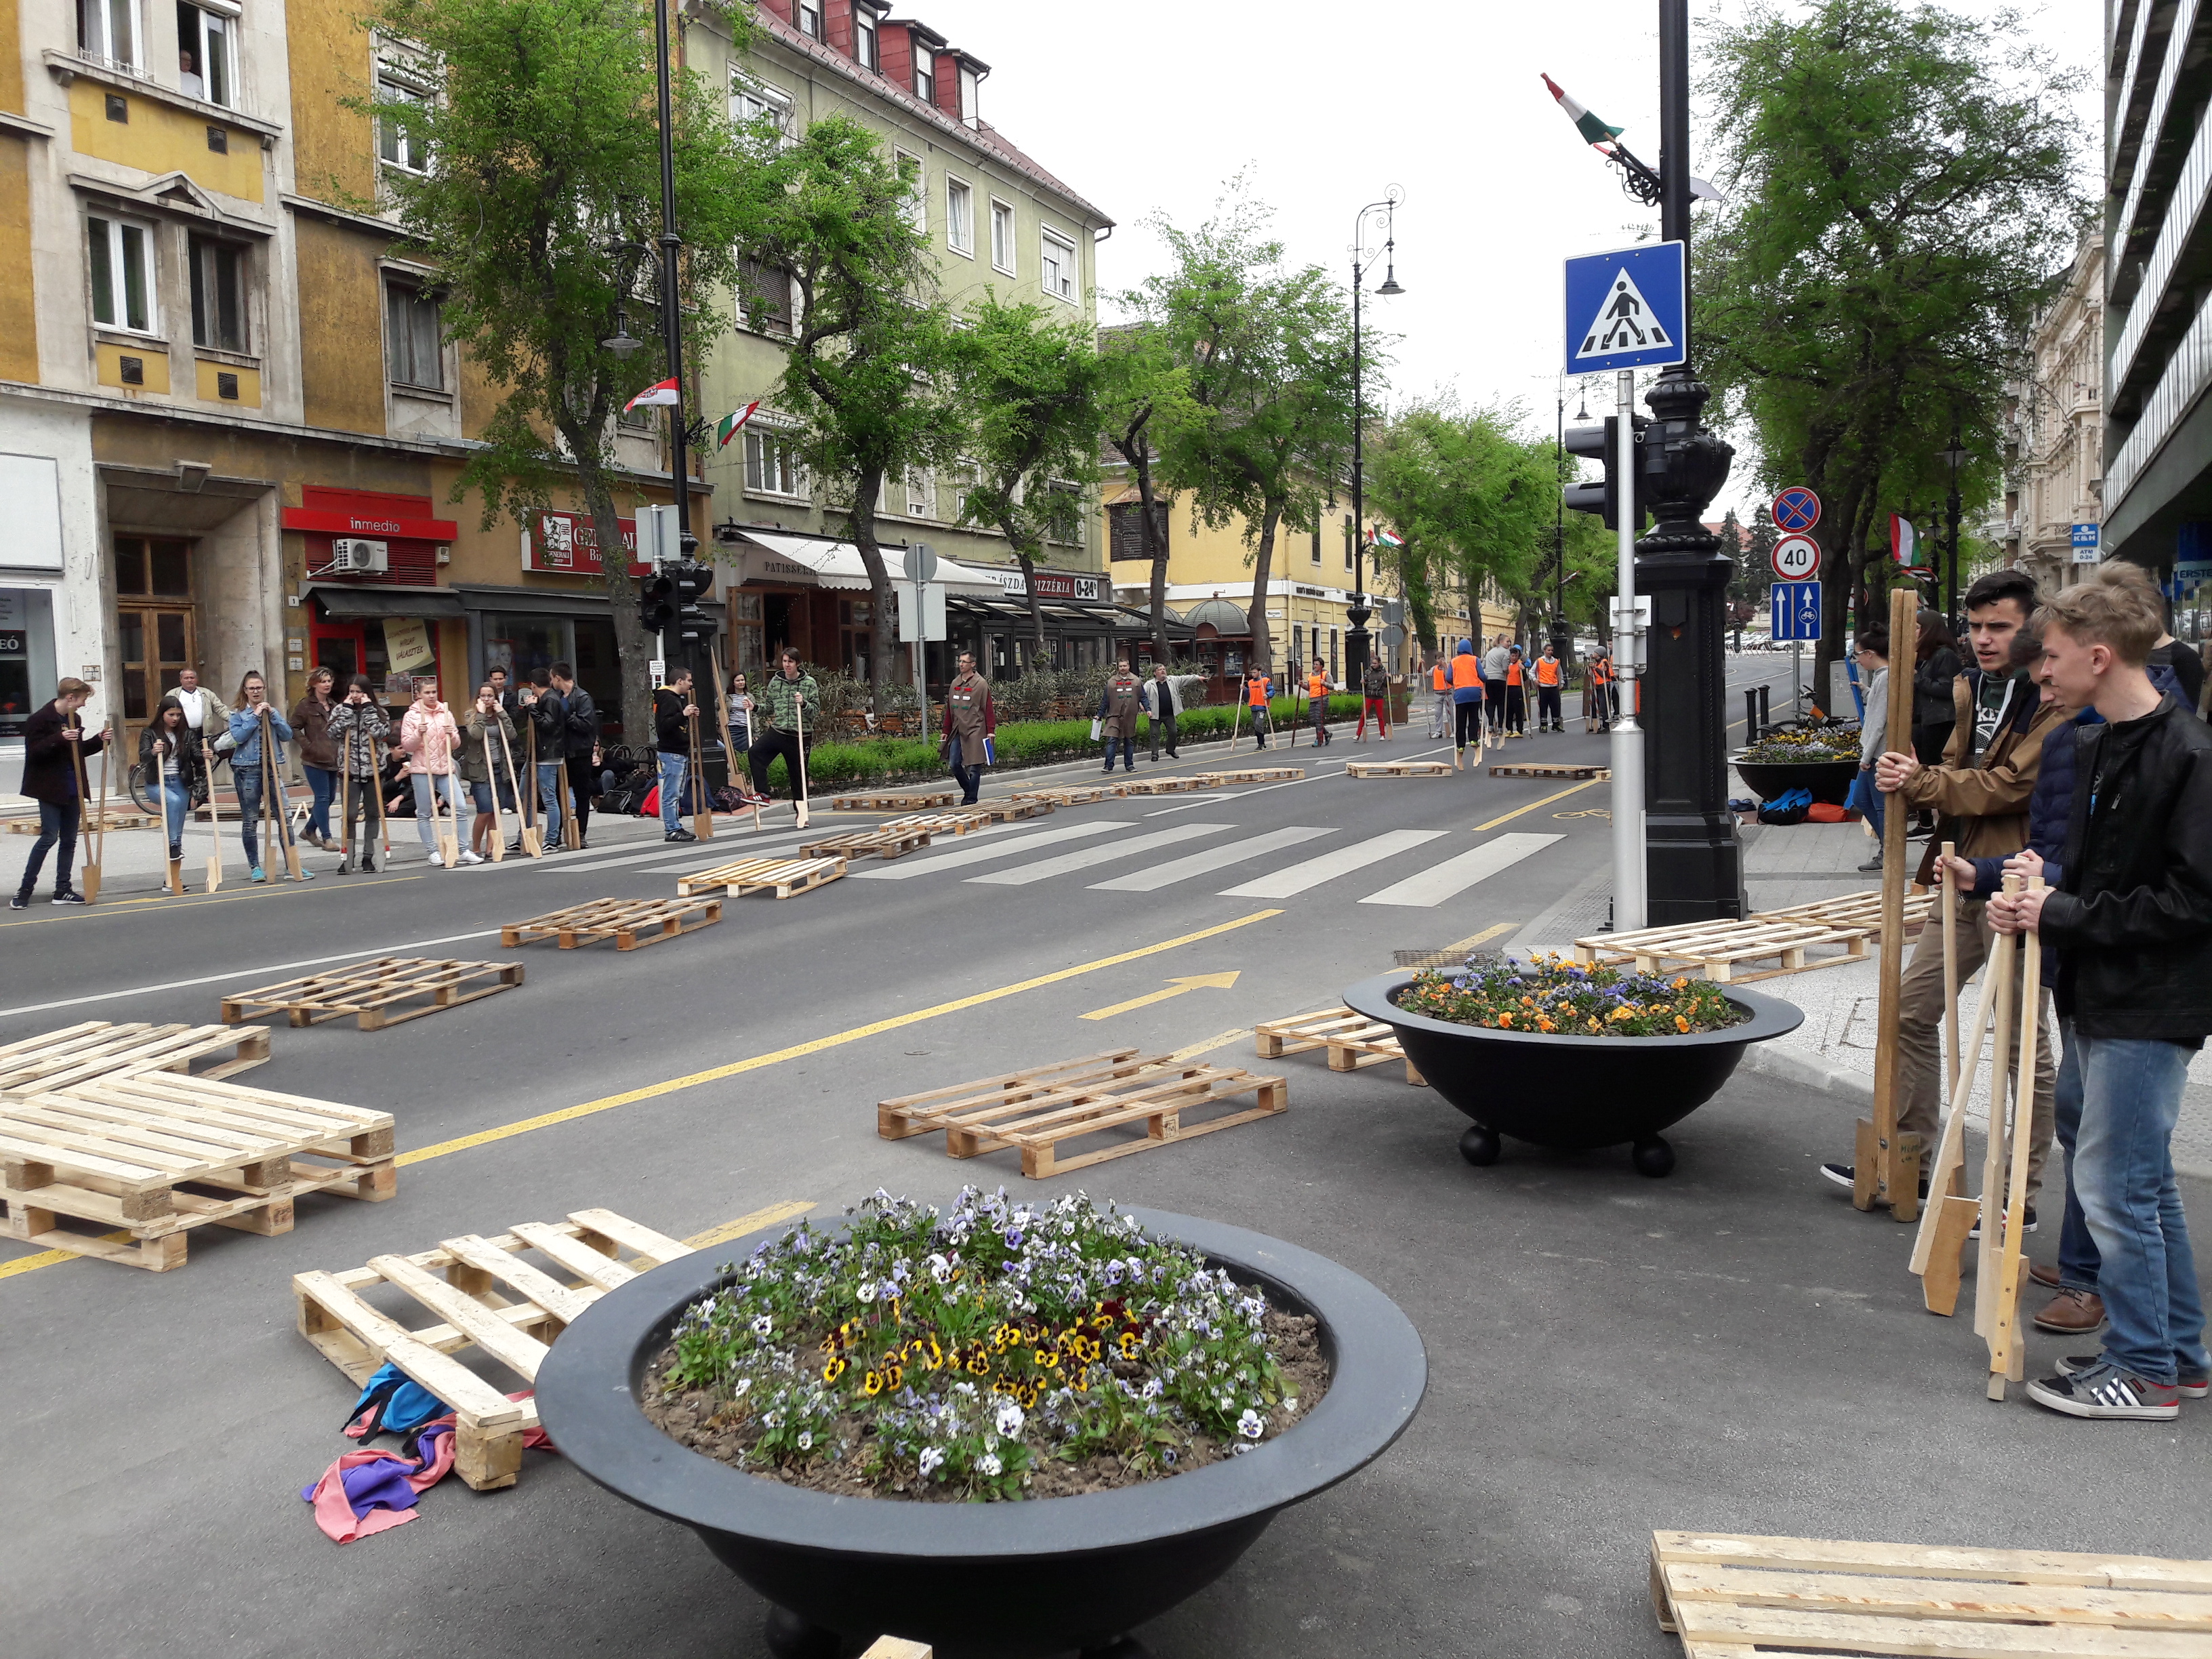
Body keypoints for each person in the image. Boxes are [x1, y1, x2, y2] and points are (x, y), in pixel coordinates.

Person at [1988, 565, 2212, 1420]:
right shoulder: (2097, 743)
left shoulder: (2188, 754)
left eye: (2049, 656)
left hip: (2149, 1001)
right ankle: (2176, 1355)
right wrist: (2036, 882)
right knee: (2139, 1185)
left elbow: (2193, 902)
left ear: (2098, 655)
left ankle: (2145, 1370)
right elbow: (2101, 874)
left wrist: (2062, 908)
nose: (2040, 670)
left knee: (2117, 1187)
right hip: (2102, 991)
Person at [1825, 571, 2065, 1208]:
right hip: (1961, 874)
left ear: (2033, 629)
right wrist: (1915, 775)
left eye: (1999, 627)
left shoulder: (2056, 696)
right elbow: (1962, 765)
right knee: (1911, 1011)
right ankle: (1911, 1165)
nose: (1983, 639)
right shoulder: (1976, 686)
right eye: (1976, 626)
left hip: (2018, 881)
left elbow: (2011, 786)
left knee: (2020, 1042)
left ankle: (2017, 1197)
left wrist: (1923, 782)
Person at [12, 677, 105, 907]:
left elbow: (77, 751)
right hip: (50, 787)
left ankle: (62, 889)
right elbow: (34, 753)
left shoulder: (74, 719)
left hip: (72, 786)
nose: (84, 705)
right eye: (82, 700)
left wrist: (99, 741)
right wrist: (59, 738)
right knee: (49, 837)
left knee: (69, 840)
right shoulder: (39, 720)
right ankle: (25, 890)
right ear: (70, 698)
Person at [226, 670, 306, 882]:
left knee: (284, 818)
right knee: (251, 820)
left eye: (259, 688)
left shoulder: (272, 712)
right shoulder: (237, 714)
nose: (255, 692)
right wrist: (254, 717)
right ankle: (255, 867)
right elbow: (239, 737)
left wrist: (273, 715)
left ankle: (292, 865)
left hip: (271, 768)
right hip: (247, 769)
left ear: (264, 689)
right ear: (245, 691)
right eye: (251, 688)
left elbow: (287, 735)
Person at [399, 680, 474, 865]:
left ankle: (464, 849)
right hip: (422, 769)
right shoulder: (411, 716)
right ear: (419, 695)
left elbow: (456, 745)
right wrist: (418, 733)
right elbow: (407, 746)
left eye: (434, 692)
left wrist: (452, 735)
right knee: (425, 812)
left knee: (460, 807)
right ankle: (432, 851)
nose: (432, 696)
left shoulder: (445, 712)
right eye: (427, 693)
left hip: (445, 767)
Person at [325, 675, 390, 874]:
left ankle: (368, 857)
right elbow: (332, 734)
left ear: (367, 693)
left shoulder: (379, 711)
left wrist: (369, 711)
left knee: (372, 814)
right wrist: (346, 712)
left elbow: (381, 733)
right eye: (352, 691)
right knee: (350, 815)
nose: (355, 696)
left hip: (374, 770)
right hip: (349, 770)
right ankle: (348, 856)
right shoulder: (340, 710)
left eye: (359, 692)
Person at [745, 648, 815, 811]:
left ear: (798, 663)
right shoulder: (776, 682)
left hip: (800, 735)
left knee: (798, 776)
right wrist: (754, 707)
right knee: (755, 752)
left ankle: (802, 813)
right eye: (784, 661)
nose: (787, 665)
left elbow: (815, 711)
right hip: (779, 731)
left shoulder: (809, 683)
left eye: (790, 661)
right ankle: (763, 794)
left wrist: (804, 703)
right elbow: (769, 708)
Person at [140, 699, 205, 872]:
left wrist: (206, 754)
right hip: (157, 782)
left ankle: (173, 878)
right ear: (162, 714)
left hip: (180, 782)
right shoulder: (150, 733)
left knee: (178, 824)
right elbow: (143, 756)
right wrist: (153, 752)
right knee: (173, 802)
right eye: (171, 715)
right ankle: (173, 845)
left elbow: (197, 757)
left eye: (178, 715)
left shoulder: (186, 734)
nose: (175, 718)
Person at [462, 682, 519, 860]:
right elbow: (476, 734)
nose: (486, 699)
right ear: (478, 698)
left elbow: (512, 735)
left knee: (495, 810)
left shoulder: (499, 715)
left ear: (495, 698)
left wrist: (503, 714)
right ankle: (475, 847)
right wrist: (480, 714)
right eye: (483, 696)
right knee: (485, 810)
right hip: (480, 768)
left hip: (498, 767)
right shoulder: (471, 714)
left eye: (490, 696)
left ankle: (491, 847)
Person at [548, 661, 602, 846]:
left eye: (552, 678)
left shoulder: (582, 697)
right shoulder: (556, 696)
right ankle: (557, 833)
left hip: (580, 752)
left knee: (581, 794)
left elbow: (586, 724)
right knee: (558, 793)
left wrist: (566, 715)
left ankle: (580, 832)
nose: (551, 683)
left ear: (558, 678)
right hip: (562, 752)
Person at [1851, 624, 1890, 874]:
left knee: (1877, 804)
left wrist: (1866, 757)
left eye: (1858, 655)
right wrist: (1866, 691)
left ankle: (1889, 849)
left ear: (1870, 653)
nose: (1857, 660)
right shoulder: (1882, 676)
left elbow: (1878, 720)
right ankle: (1888, 845)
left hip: (1878, 752)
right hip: (1876, 751)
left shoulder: (1885, 677)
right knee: (1863, 799)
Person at [289, 666, 342, 850]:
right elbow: (293, 727)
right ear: (314, 684)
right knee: (322, 797)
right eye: (323, 681)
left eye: (329, 681)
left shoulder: (334, 705)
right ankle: (327, 838)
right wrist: (308, 745)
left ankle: (309, 830)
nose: (327, 684)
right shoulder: (305, 705)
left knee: (330, 798)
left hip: (333, 758)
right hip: (314, 760)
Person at [653, 668, 701, 843]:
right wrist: (683, 715)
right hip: (671, 752)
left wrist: (688, 715)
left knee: (676, 792)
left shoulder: (675, 699)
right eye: (689, 680)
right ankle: (671, 829)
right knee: (671, 793)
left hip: (678, 751)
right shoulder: (668, 699)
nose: (691, 684)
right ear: (680, 681)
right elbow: (664, 726)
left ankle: (675, 825)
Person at [519, 668, 565, 845]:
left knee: (549, 797)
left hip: (547, 754)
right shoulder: (545, 699)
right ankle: (524, 836)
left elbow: (548, 725)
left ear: (533, 685)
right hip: (537, 753)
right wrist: (532, 707)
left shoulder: (551, 699)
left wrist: (532, 707)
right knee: (525, 794)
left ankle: (552, 839)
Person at [943, 651, 996, 803]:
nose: (961, 664)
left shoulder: (981, 684)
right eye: (960, 661)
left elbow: (988, 708)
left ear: (973, 664)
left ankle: (971, 798)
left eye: (964, 662)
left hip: (976, 729)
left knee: (974, 766)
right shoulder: (955, 683)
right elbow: (949, 709)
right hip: (957, 729)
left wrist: (991, 731)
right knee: (954, 764)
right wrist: (946, 730)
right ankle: (969, 790)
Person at [1912, 611, 1964, 764]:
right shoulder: (1929, 657)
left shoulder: (1945, 655)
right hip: (1929, 721)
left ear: (1929, 630)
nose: (1914, 632)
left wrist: (1917, 678)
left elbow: (1947, 687)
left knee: (1934, 764)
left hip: (1941, 722)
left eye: (1917, 628)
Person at [158, 665, 229, 757]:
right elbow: (164, 712)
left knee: (203, 759)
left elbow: (220, 708)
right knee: (183, 758)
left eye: (192, 678)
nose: (189, 680)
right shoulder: (172, 694)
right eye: (186, 678)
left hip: (203, 734)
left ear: (196, 679)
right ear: (181, 680)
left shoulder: (207, 693)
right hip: (181, 733)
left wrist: (234, 719)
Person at [1099, 658, 1143, 771]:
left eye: (1125, 666)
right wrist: (1099, 714)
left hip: (1130, 717)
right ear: (1118, 668)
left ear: (1129, 666)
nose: (1123, 668)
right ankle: (1108, 766)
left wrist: (1148, 709)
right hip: (1114, 716)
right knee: (1112, 740)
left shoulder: (1136, 681)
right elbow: (1105, 700)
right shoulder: (1111, 682)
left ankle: (1129, 765)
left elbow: (1143, 697)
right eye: (1121, 666)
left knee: (1129, 740)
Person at [1449, 638, 1485, 769]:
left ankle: (1460, 745)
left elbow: (1448, 677)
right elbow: (1482, 676)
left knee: (1461, 720)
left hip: (1460, 692)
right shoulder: (1475, 660)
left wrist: (1456, 681)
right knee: (1474, 717)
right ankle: (1474, 739)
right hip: (1474, 692)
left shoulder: (1453, 661)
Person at [1143, 663, 1179, 762]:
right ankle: (1155, 754)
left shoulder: (1172, 681)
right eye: (1160, 670)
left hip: (1169, 714)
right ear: (1155, 673)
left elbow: (1185, 679)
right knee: (1154, 735)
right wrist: (1144, 708)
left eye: (1164, 669)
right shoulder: (1149, 684)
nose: (1163, 671)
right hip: (1155, 714)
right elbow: (1142, 696)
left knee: (1173, 732)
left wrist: (1198, 678)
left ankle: (1170, 750)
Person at [1481, 634, 1510, 736]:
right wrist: (1508, 672)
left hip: (1489, 679)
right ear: (1501, 642)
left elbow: (1483, 665)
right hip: (1500, 679)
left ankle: (1491, 724)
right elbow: (1505, 668)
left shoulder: (1490, 652)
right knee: (1501, 703)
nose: (1509, 644)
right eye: (1507, 641)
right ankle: (1501, 727)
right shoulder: (1506, 652)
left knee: (1491, 703)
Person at [1356, 659, 1391, 740]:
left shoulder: (1383, 672)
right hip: (1369, 695)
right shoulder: (1368, 672)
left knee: (1380, 716)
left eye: (1375, 663)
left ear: (1379, 663)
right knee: (1363, 715)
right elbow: (1365, 683)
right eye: (1372, 663)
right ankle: (1358, 734)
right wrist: (1363, 682)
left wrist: (1388, 678)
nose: (1373, 665)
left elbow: (1386, 685)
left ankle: (1382, 734)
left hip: (1378, 696)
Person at [1534, 644, 1564, 733]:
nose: (1550, 652)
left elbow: (1559, 673)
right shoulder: (1539, 661)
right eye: (1549, 650)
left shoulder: (1556, 662)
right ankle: (1543, 725)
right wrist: (1535, 679)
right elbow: (1532, 672)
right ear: (1545, 651)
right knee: (1543, 706)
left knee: (1556, 706)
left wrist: (1561, 683)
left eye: (1552, 650)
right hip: (1543, 686)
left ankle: (1556, 724)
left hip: (1554, 686)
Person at [1503, 646, 1528, 737]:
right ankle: (1509, 729)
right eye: (1512, 656)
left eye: (1516, 656)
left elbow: (1525, 678)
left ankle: (1519, 730)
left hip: (1517, 688)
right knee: (1508, 710)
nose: (1514, 658)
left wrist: (1523, 669)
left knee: (1518, 710)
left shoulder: (1520, 664)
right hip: (1508, 688)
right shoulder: (1507, 665)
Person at [1305, 660, 1332, 745]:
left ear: (1321, 666)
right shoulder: (1310, 675)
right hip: (1313, 700)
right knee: (1313, 720)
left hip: (1322, 699)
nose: (1315, 666)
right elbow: (1309, 688)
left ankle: (1319, 739)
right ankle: (1327, 734)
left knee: (1318, 720)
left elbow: (1332, 686)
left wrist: (1324, 683)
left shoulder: (1326, 674)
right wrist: (1302, 685)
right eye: (1314, 664)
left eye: (1317, 664)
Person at [1588, 650, 1614, 732]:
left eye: (1595, 652)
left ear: (1599, 654)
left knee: (1603, 706)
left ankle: (1606, 725)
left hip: (1604, 686)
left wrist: (1595, 668)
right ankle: (1596, 724)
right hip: (1597, 686)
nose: (1594, 654)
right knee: (1594, 705)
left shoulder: (1604, 662)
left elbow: (1604, 674)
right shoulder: (1596, 663)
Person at [1428, 653, 1452, 739]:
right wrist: (1423, 666)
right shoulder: (1434, 669)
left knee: (1450, 713)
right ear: (1436, 660)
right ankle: (1438, 731)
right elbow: (1426, 675)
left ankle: (1452, 730)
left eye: (1442, 658)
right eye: (1439, 658)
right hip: (1438, 693)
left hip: (1448, 693)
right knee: (1438, 713)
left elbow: (1448, 677)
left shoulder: (1448, 667)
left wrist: (1445, 667)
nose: (1441, 660)